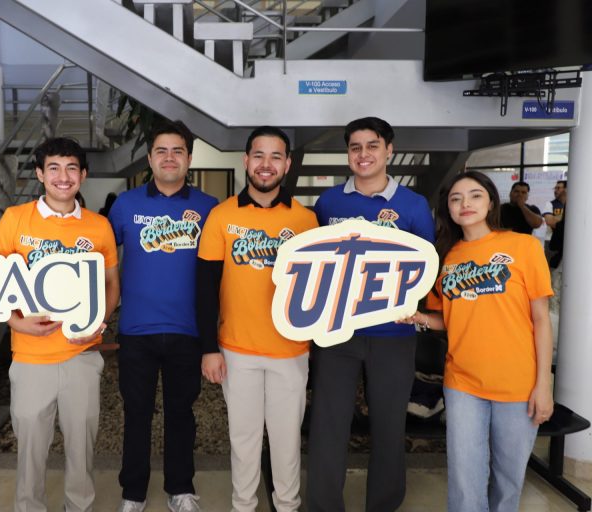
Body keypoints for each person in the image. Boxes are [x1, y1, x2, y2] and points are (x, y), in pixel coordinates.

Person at [402, 170, 554, 512]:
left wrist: (543, 385)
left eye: (474, 195)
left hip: (518, 383)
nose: (465, 204)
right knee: (464, 479)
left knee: (507, 480)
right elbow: (448, 318)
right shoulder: (446, 258)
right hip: (463, 383)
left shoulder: (523, 247)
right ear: (448, 209)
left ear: (490, 202)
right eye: (455, 199)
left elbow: (541, 319)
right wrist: (419, 318)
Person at [307, 116, 435, 512]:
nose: (364, 154)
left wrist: (412, 306)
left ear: (389, 150)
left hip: (393, 335)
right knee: (328, 425)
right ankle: (324, 506)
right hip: (337, 333)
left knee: (389, 425)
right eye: (355, 147)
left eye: (372, 146)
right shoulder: (329, 202)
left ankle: (383, 504)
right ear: (348, 153)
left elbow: (426, 266)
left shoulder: (413, 205)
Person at [0, 137, 120, 512]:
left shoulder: (99, 226)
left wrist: (100, 321)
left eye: (72, 168)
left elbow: (112, 283)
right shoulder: (16, 218)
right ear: (40, 174)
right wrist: (16, 322)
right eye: (54, 168)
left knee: (82, 448)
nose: (64, 176)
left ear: (84, 175)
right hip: (31, 358)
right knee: (30, 450)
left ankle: (80, 507)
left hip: (81, 355)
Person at [198, 126, 318, 512]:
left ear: (287, 164)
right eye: (259, 156)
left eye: (276, 156)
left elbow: (319, 290)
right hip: (237, 350)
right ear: (246, 160)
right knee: (244, 438)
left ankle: (287, 506)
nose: (267, 164)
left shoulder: (306, 220)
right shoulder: (221, 216)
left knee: (286, 440)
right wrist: (208, 348)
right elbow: (205, 287)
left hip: (291, 351)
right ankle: (243, 506)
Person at [108, 120, 218, 512]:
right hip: (136, 331)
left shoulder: (209, 208)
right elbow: (98, 260)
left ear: (189, 158)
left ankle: (180, 489)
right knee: (136, 414)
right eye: (161, 151)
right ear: (150, 158)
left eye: (177, 151)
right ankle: (133, 493)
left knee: (181, 414)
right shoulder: (125, 205)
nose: (169, 158)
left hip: (188, 331)